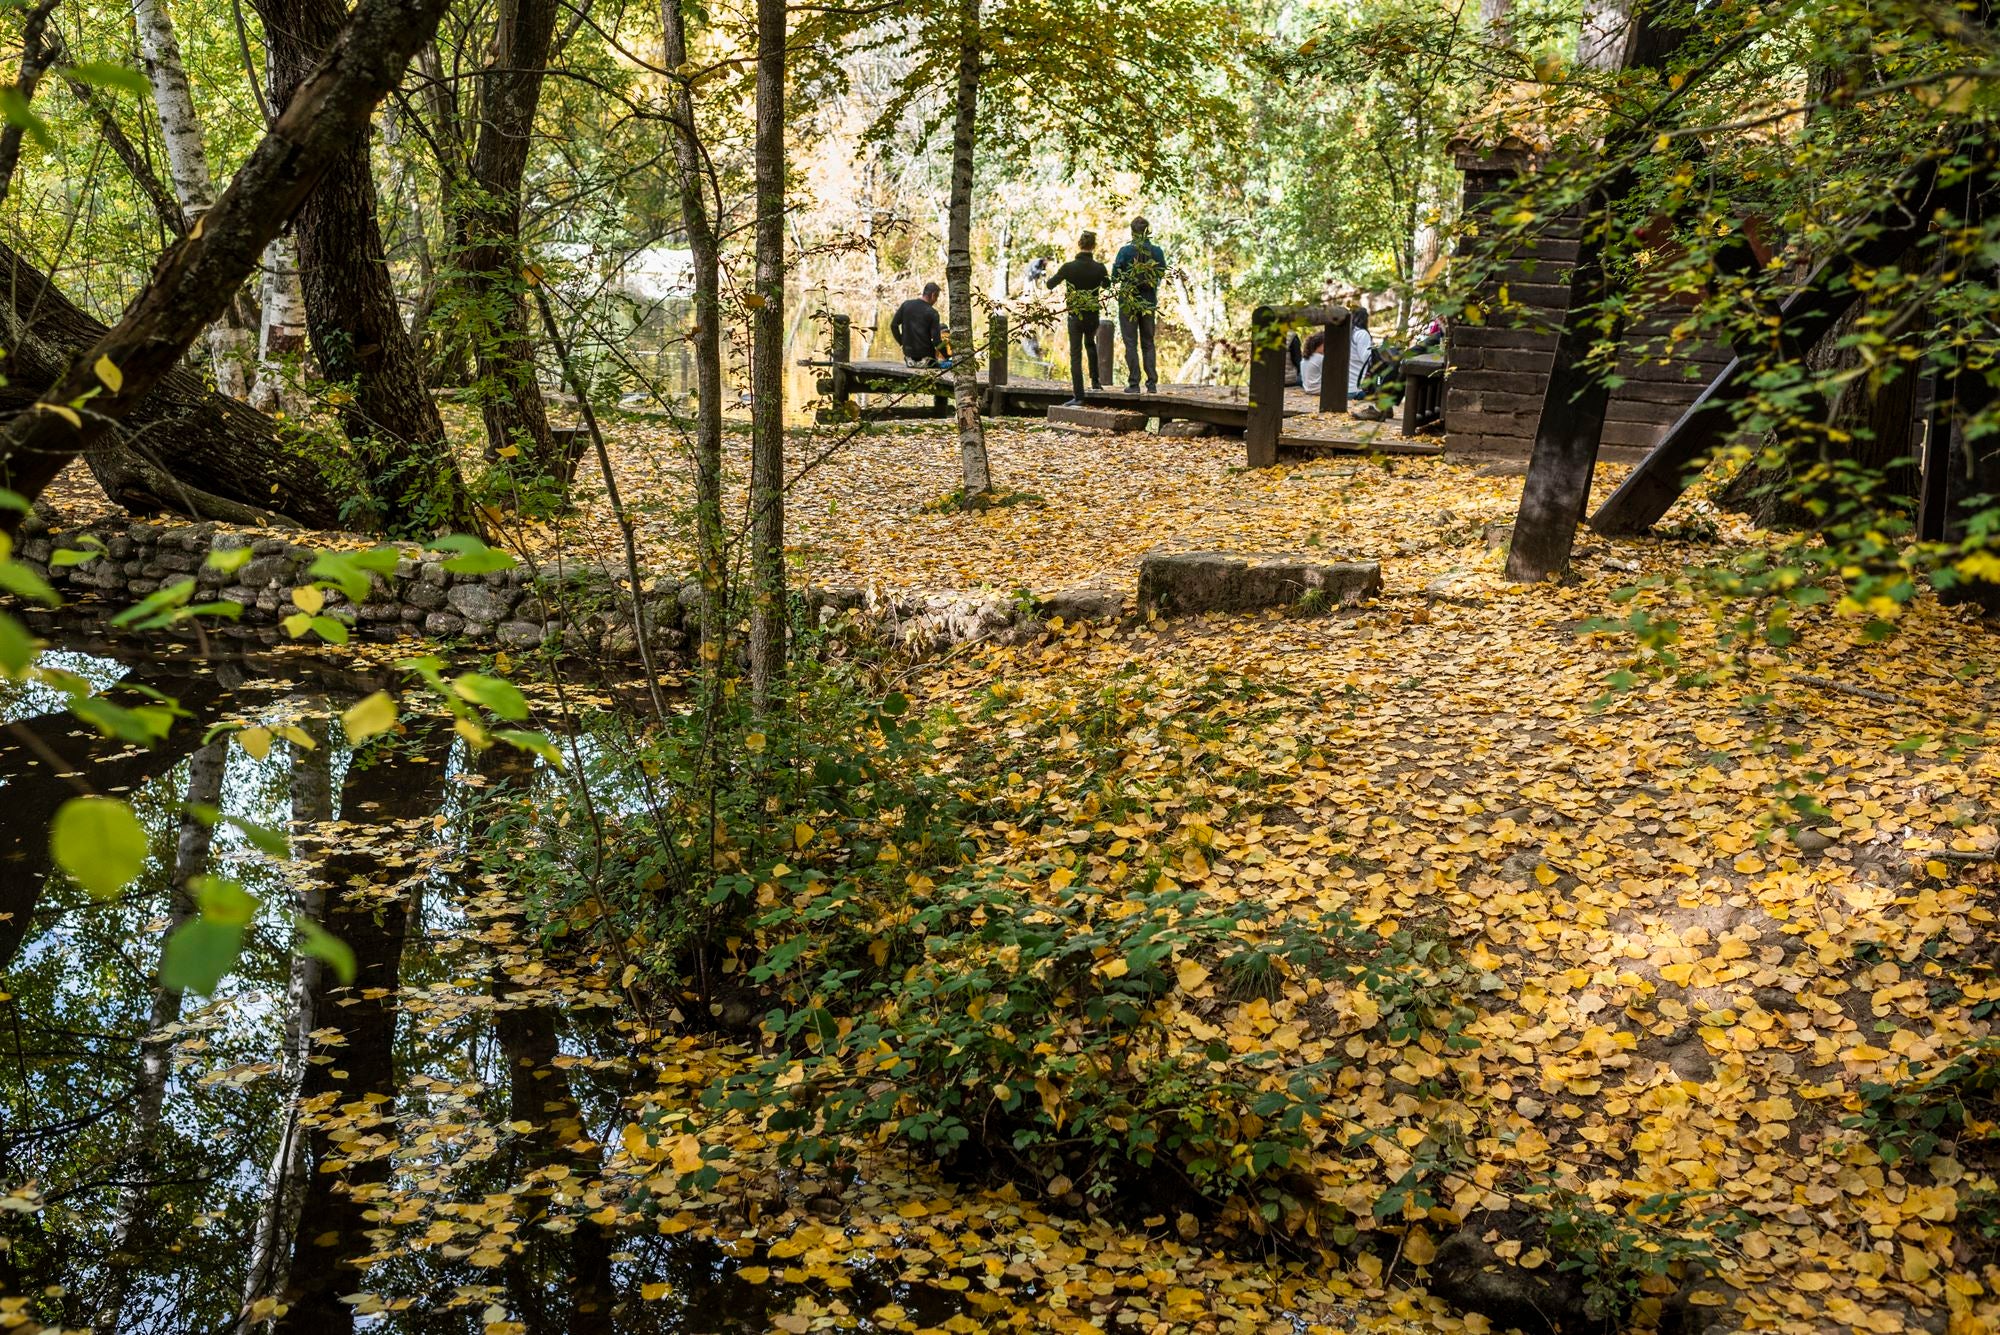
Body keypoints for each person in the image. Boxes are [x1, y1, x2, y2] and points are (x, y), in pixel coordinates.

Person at [1045, 230, 1110, 405]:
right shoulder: (1100, 268)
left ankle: (1079, 396)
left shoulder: (1069, 268)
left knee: (1075, 354)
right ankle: (1096, 383)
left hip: (1075, 315)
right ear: (1094, 246)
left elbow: (1050, 284)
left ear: (1079, 244)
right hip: (1093, 314)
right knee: (1090, 345)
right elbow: (1107, 285)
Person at [1111, 216, 1166, 392]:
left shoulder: (1125, 251)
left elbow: (1114, 277)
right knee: (1148, 342)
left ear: (1132, 232)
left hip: (1128, 301)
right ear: (1147, 231)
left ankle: (1134, 384)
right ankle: (1151, 384)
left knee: (1130, 342)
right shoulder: (1157, 252)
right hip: (1148, 302)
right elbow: (1161, 273)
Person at [891, 282, 943, 365]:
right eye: (937, 297)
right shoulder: (933, 313)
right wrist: (948, 356)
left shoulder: (906, 305)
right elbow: (937, 341)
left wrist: (902, 342)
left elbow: (893, 325)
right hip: (927, 359)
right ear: (933, 295)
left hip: (909, 358)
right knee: (944, 328)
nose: (936, 300)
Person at [1298, 330, 1327, 394]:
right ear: (1318, 344)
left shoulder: (1305, 357)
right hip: (1319, 390)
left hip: (1307, 389)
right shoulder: (1321, 358)